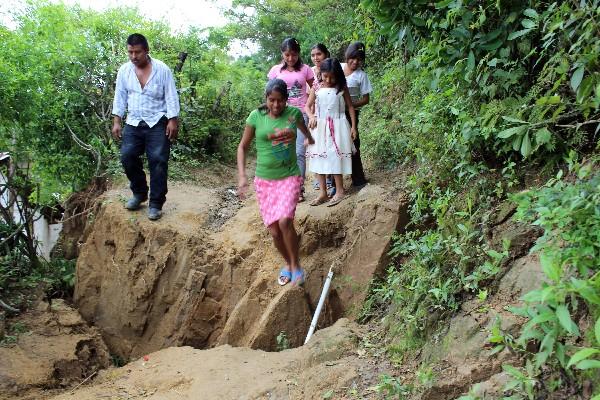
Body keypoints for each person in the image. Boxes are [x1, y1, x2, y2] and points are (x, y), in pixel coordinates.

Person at [237, 79, 315, 286]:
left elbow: (303, 128)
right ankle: (288, 263)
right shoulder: (256, 117)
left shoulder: (294, 114)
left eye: (280, 101)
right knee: (273, 231)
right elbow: (242, 147)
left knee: (285, 222)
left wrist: (309, 138)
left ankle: (296, 265)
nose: (276, 105)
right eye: (272, 100)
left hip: (289, 175)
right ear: (266, 99)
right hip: (265, 181)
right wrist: (243, 175)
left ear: (286, 100)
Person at [111, 33, 180, 221]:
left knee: (158, 160)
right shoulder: (124, 71)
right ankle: (139, 193)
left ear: (146, 51)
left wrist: (173, 120)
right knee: (127, 156)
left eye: (137, 52)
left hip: (157, 120)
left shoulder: (162, 69)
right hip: (133, 121)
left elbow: (171, 95)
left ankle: (156, 203)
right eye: (130, 52)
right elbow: (120, 97)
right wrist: (117, 121)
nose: (134, 56)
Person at [267, 38, 315, 202]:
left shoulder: (306, 69)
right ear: (282, 54)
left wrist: (310, 107)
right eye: (287, 55)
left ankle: (298, 190)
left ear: (298, 54)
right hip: (281, 116)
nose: (290, 58)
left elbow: (315, 87)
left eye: (293, 55)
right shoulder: (275, 71)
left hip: (300, 114)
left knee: (299, 153)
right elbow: (269, 93)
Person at [305, 59, 357, 207]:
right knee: (318, 157)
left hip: (338, 125)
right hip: (320, 127)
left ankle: (340, 191)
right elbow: (307, 107)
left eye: (332, 77)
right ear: (321, 73)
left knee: (335, 155)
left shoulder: (341, 87)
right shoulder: (316, 86)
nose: (328, 80)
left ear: (338, 76)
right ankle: (323, 193)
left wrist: (353, 127)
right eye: (325, 76)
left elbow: (350, 107)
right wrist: (312, 117)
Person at [342, 42, 371, 188]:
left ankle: (358, 179)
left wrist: (350, 106)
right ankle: (334, 182)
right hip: (333, 114)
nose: (355, 62)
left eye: (359, 59)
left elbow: (366, 99)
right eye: (353, 58)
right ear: (348, 56)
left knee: (353, 143)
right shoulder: (338, 67)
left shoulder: (362, 75)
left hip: (351, 114)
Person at [308, 43, 334, 194]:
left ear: (326, 54)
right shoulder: (311, 73)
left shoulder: (333, 69)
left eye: (319, 54)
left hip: (333, 116)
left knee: (331, 147)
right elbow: (310, 97)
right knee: (319, 148)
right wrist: (312, 116)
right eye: (313, 55)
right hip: (317, 116)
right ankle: (322, 179)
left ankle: (331, 178)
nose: (316, 58)